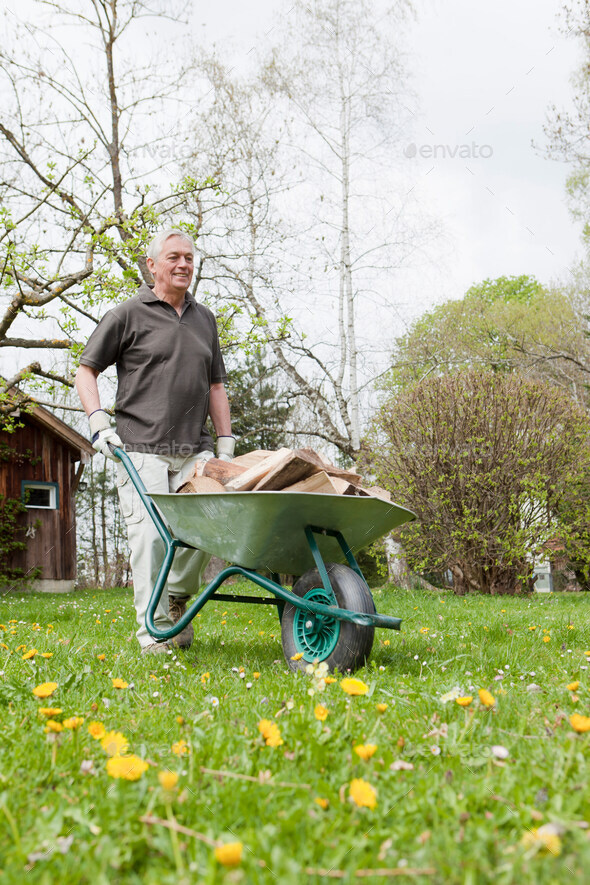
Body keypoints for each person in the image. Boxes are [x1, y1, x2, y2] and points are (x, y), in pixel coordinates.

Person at [75, 229, 234, 654]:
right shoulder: (126, 315)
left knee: (207, 528)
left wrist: (226, 442)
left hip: (193, 448)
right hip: (138, 445)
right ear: (152, 265)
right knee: (151, 539)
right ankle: (154, 635)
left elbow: (216, 385)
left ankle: (177, 595)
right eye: (173, 257)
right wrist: (97, 422)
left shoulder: (205, 319)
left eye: (189, 257)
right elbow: (86, 370)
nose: (183, 264)